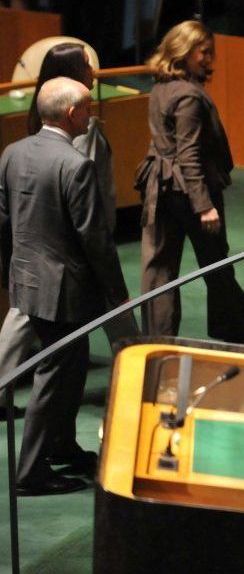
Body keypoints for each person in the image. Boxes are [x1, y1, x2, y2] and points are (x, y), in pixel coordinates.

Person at [0, 77, 129, 496]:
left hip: (27, 281)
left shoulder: (12, 153)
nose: (91, 114)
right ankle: (31, 472)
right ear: (73, 114)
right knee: (54, 376)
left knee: (72, 367)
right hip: (64, 291)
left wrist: (12, 274)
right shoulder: (75, 165)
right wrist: (117, 293)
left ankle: (62, 445)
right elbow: (95, 239)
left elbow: (5, 223)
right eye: (88, 108)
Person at [1, 43, 136, 399]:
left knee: (23, 315)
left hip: (40, 241)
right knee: (118, 312)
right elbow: (81, 190)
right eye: (87, 64)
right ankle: (140, 382)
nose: (94, 68)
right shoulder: (79, 128)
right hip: (75, 244)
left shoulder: (43, 114)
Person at [138, 20, 244, 342]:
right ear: (184, 51)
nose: (208, 59)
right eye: (203, 52)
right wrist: (204, 206)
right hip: (190, 190)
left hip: (158, 187)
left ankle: (157, 340)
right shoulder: (189, 95)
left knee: (159, 271)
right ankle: (233, 330)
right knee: (215, 264)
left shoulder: (160, 87)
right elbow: (188, 153)